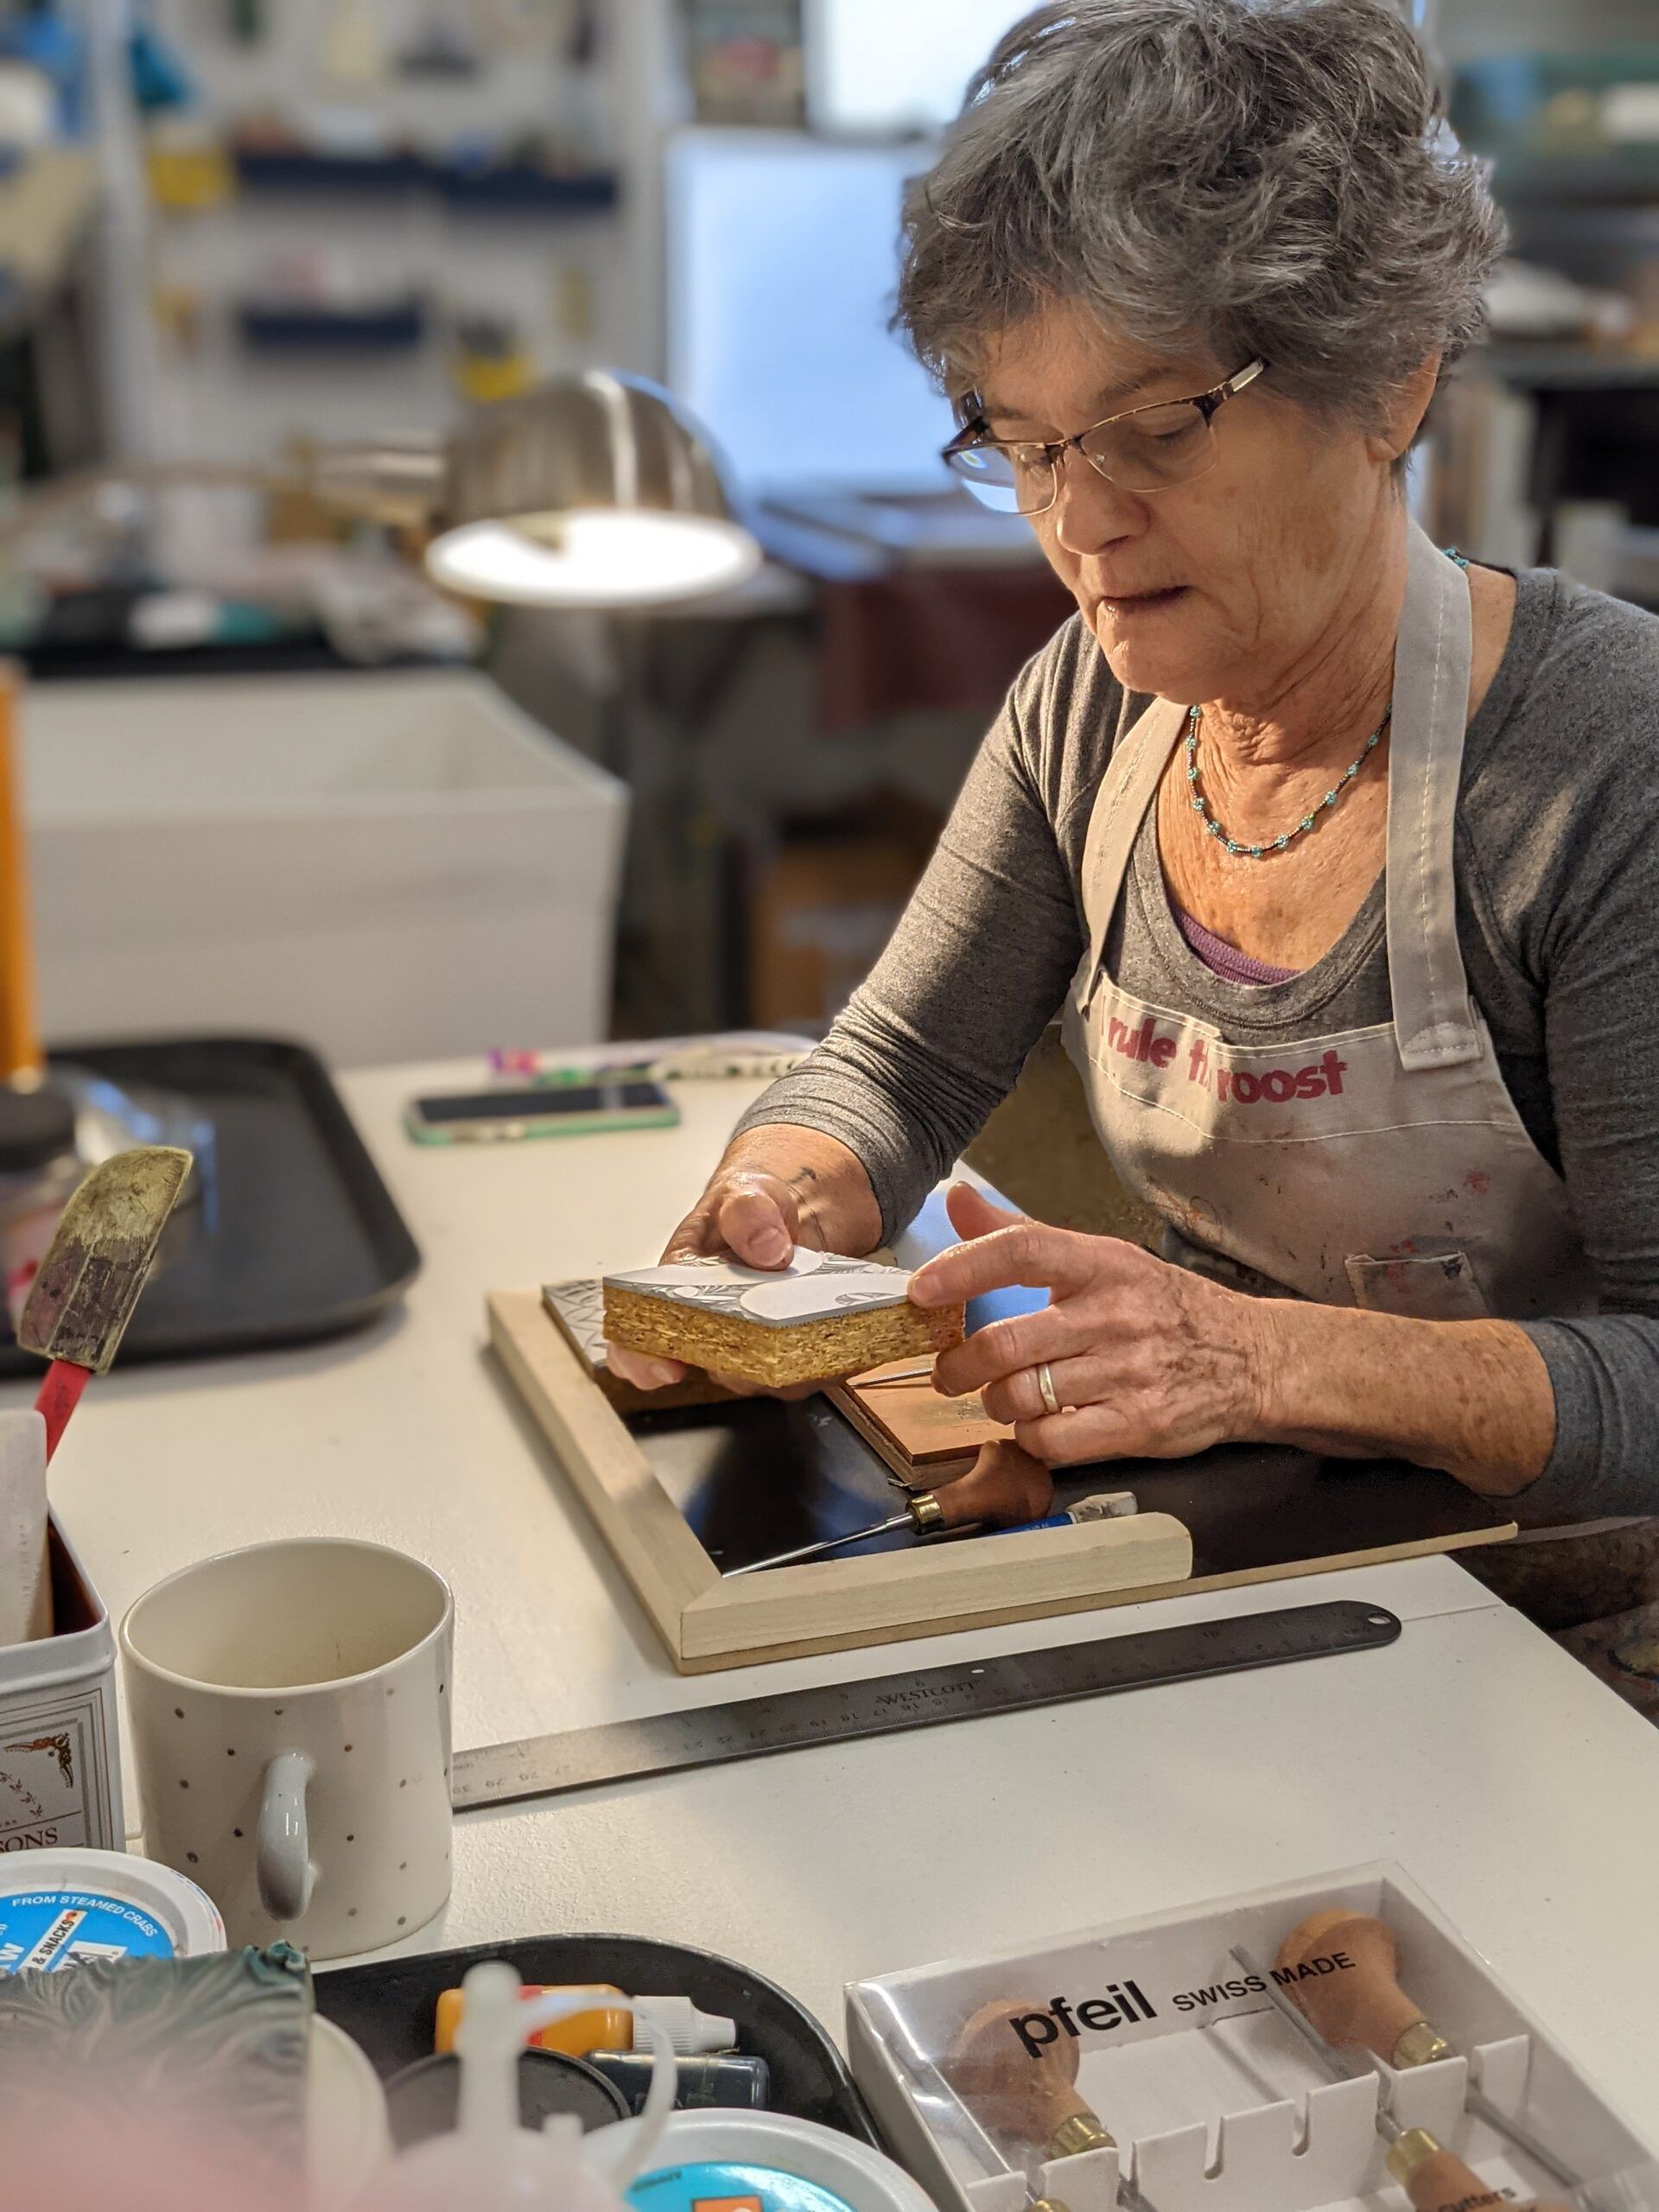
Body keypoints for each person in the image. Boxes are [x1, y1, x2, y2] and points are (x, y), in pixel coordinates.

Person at [611, 0, 1659, 1638]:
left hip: (1565, 1626)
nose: (1080, 520)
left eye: (1155, 422)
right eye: (1022, 446)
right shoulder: (1092, 710)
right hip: (1221, 1552)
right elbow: (900, 1065)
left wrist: (1249, 1356)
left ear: (1389, 380)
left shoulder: (1606, 767)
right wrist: (786, 1186)